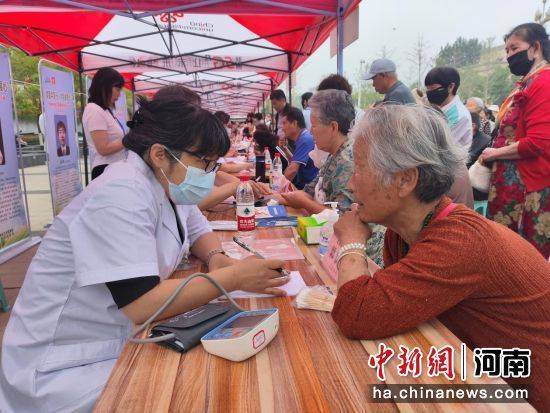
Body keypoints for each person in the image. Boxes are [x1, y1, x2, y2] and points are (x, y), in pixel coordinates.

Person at [0, 98, 289, 412]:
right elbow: (141, 303)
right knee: (203, 394)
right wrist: (232, 277)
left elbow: (197, 230)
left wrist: (218, 257)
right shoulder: (120, 193)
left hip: (112, 339)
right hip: (65, 365)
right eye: (204, 162)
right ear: (160, 154)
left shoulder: (166, 182)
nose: (209, 173)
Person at [330, 104, 550, 412]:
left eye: (360, 169)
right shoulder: (405, 232)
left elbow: (355, 313)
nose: (351, 183)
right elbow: (388, 310)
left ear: (405, 180)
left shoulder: (458, 241)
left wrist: (351, 244)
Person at [278, 90, 386, 266]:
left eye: (314, 125)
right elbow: (310, 190)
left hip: (359, 259)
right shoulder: (334, 154)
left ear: (333, 127)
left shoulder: (348, 160)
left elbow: (343, 219)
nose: (310, 132)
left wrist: (303, 202)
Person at [479, 23, 550, 259]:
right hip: (511, 187)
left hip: (527, 191)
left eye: (514, 48)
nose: (509, 55)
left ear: (536, 47)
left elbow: (537, 143)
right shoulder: (528, 82)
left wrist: (494, 154)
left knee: (521, 259)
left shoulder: (543, 83)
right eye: (507, 50)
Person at [82, 67, 127, 180]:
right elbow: (103, 149)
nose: (119, 94)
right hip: (104, 170)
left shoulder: (105, 110)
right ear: (105, 86)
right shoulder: (94, 110)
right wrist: (128, 140)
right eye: (117, 89)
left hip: (114, 168)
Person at [425, 66, 472, 150]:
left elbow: (438, 145)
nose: (429, 92)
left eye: (432, 88)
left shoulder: (459, 116)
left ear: (450, 87)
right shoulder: (438, 107)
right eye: (427, 89)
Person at [279, 106, 318, 189]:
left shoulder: (305, 139)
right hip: (305, 185)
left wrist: (276, 188)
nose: (282, 128)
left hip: (308, 188)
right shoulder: (302, 137)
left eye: (284, 123)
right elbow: (295, 161)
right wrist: (285, 149)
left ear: (294, 124)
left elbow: (292, 170)